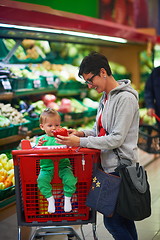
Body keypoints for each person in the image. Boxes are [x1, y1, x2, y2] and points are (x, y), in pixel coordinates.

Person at [55, 52, 139, 240]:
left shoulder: (125, 99)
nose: (90, 85)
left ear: (103, 72)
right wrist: (81, 133)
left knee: (112, 221)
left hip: (120, 168)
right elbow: (100, 130)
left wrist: (80, 142)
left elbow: (116, 138)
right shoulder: (105, 98)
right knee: (124, 219)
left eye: (90, 80)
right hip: (109, 167)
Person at [36, 108, 77, 213]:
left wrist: (67, 141)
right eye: (50, 126)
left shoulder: (63, 137)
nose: (54, 128)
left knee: (71, 179)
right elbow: (34, 152)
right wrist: (38, 146)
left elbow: (71, 147)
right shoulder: (40, 139)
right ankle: (50, 200)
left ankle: (67, 199)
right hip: (46, 168)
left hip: (63, 166)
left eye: (57, 125)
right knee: (41, 181)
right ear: (42, 127)